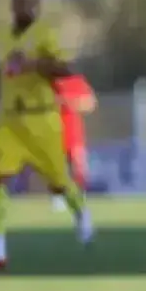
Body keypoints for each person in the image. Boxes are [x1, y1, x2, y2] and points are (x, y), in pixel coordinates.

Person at [0, 0, 94, 270]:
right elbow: (2, 67)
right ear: (12, 6)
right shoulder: (4, 36)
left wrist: (34, 64)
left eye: (30, 3)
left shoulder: (44, 34)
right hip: (11, 121)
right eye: (20, 3)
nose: (25, 8)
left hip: (41, 119)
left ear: (37, 7)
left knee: (59, 181)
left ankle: (81, 211)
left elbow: (64, 69)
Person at [51, 74, 96, 212]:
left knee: (79, 167)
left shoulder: (77, 81)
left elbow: (90, 104)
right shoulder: (50, 81)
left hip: (75, 134)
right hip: (54, 132)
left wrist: (69, 102)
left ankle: (79, 196)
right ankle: (59, 198)